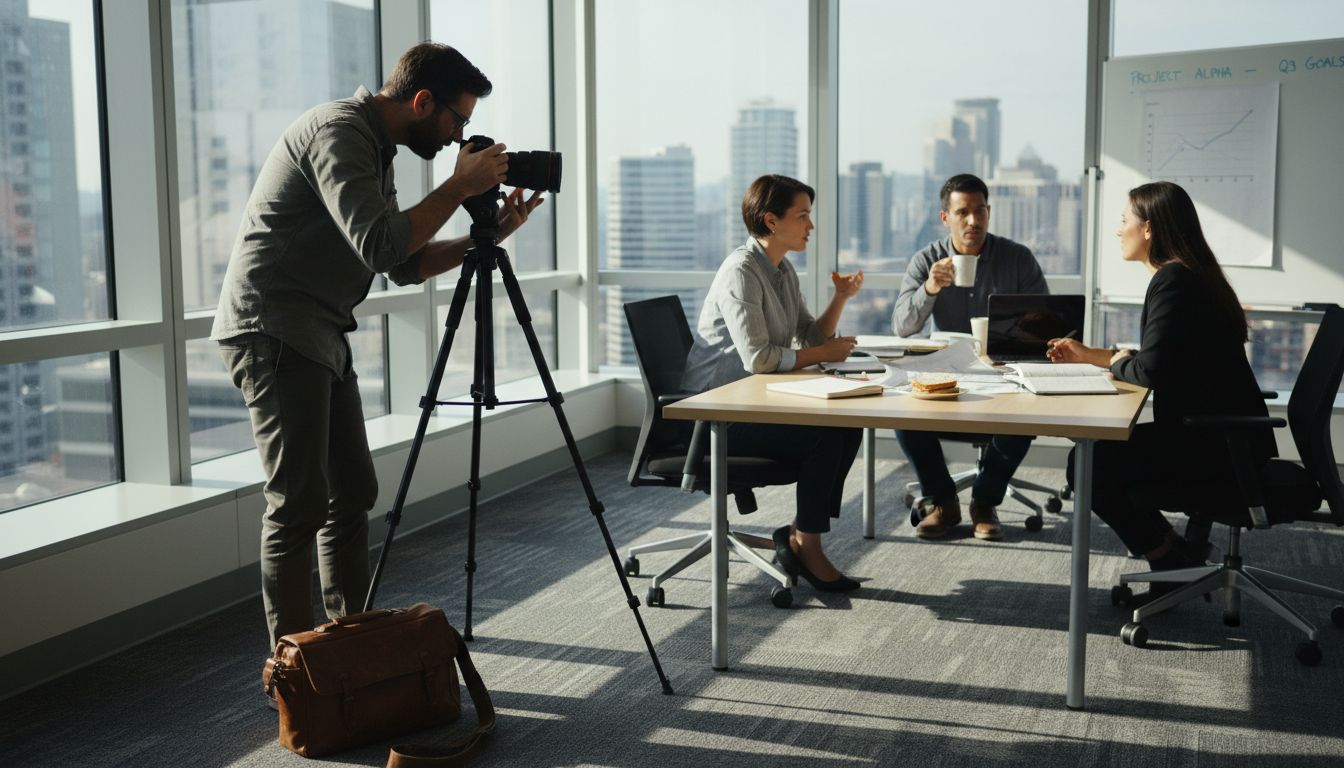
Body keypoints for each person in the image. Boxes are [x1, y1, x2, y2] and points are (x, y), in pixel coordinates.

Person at [211, 43, 545, 651]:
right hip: (275, 328)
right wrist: (454, 189)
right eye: (457, 119)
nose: (458, 135)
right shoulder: (338, 132)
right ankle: (295, 670)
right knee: (298, 503)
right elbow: (379, 246)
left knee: (352, 492)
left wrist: (488, 236)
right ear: (423, 101)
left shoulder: (375, 147)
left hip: (319, 330)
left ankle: (347, 643)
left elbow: (406, 265)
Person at [1047, 181, 1274, 594]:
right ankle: (1173, 554)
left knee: (1089, 465)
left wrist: (1116, 363)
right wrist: (1092, 355)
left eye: (1123, 221)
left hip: (1215, 446)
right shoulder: (1190, 275)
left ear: (1147, 228)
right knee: (1100, 459)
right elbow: (1159, 358)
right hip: (1224, 436)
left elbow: (1149, 371)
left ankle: (1167, 559)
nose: (1118, 230)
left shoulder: (1173, 281)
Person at [681, 174, 865, 592]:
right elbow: (761, 358)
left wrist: (840, 298)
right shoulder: (741, 272)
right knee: (825, 436)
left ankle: (802, 534)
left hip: (750, 403)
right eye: (802, 216)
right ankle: (808, 547)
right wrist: (822, 356)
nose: (810, 226)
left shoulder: (783, 271)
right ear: (770, 220)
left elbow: (810, 337)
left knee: (849, 423)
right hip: (711, 418)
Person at [891, 174, 1048, 540]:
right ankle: (942, 500)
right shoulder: (927, 259)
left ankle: (985, 500)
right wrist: (929, 288)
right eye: (963, 212)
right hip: (946, 381)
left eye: (980, 211)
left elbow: (1046, 327)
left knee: (1029, 412)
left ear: (989, 212)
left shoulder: (1017, 260)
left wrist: (1014, 339)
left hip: (1001, 379)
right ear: (945, 218)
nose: (973, 221)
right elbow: (902, 326)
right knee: (901, 409)